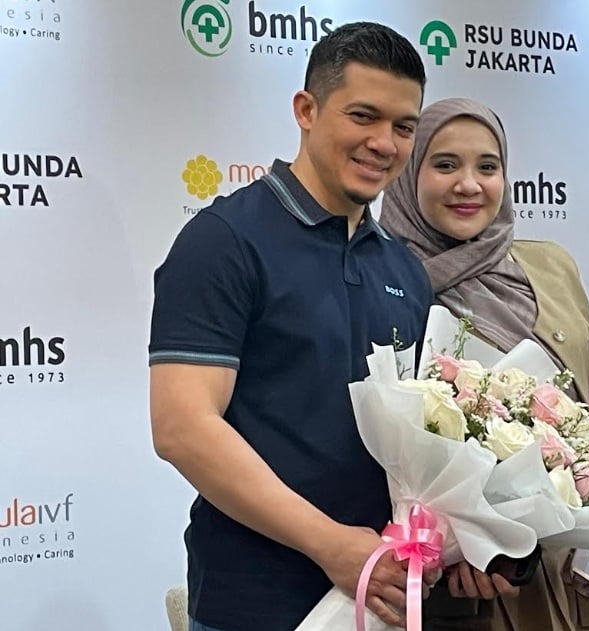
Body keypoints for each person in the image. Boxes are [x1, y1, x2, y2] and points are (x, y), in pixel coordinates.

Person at [379, 97, 589, 631]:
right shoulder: (385, 282)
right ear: (406, 174)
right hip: (481, 600)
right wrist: (458, 540)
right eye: (444, 164)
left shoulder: (551, 266)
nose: (469, 184)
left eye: (488, 166)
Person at [148, 22, 439, 631]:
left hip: (380, 598)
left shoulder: (404, 269)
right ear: (307, 110)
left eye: (403, 126)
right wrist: (331, 545)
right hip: (253, 603)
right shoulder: (224, 240)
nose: (384, 143)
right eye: (363, 116)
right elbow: (182, 428)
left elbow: (412, 442)